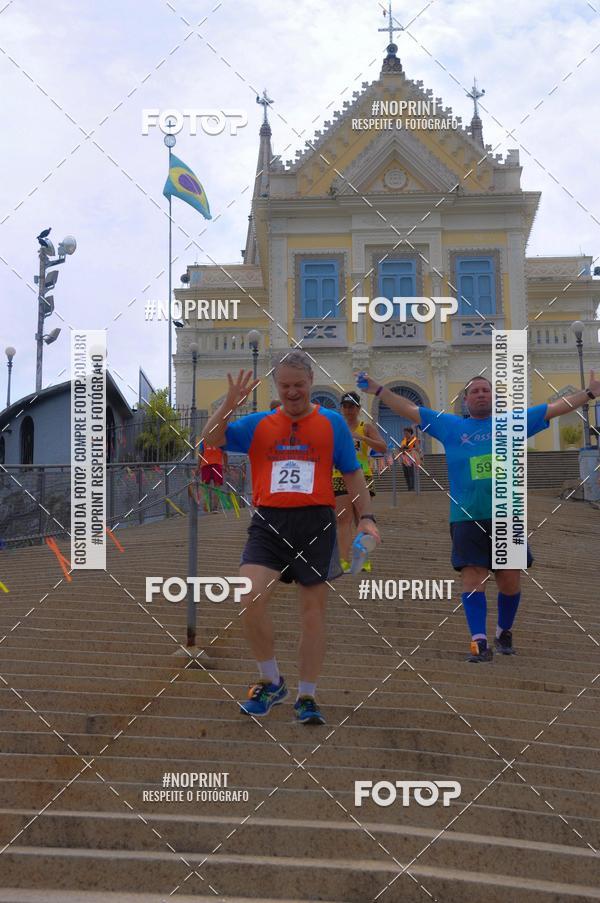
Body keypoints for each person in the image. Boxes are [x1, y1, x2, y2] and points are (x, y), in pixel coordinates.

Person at [361, 370, 600, 662]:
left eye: (486, 390)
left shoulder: (512, 423)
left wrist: (589, 393)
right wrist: (378, 390)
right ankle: (479, 641)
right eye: (475, 391)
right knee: (473, 578)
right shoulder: (449, 426)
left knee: (510, 580)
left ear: (493, 397)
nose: (481, 394)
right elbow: (408, 409)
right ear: (465, 400)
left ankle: (503, 632)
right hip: (466, 516)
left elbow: (556, 407)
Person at [203, 351, 380, 724]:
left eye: (299, 385)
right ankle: (271, 681)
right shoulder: (258, 423)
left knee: (312, 615)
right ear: (276, 386)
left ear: (311, 382)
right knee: (248, 594)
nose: (292, 393)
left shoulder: (332, 424)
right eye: (285, 386)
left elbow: (352, 474)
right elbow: (210, 439)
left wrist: (368, 519)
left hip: (315, 523)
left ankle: (307, 696)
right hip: (268, 522)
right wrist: (229, 406)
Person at [332, 391, 387, 571]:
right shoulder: (336, 428)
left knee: (361, 518)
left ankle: (362, 559)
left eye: (352, 406)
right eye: (345, 406)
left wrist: (362, 438)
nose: (348, 410)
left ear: (358, 408)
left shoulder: (366, 427)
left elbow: (383, 447)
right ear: (341, 408)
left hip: (362, 475)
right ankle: (343, 559)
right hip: (338, 476)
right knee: (343, 519)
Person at [197, 441, 227, 512]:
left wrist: (198, 467)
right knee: (217, 487)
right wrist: (226, 465)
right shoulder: (220, 440)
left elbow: (200, 453)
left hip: (205, 465)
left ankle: (205, 508)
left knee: (205, 487)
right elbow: (225, 453)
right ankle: (215, 508)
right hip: (217, 465)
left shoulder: (203, 441)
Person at [399, 427, 421, 491]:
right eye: (404, 433)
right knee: (406, 473)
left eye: (406, 433)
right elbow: (400, 448)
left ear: (410, 432)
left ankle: (412, 488)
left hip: (412, 457)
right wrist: (401, 449)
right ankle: (409, 487)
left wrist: (408, 449)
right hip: (404, 458)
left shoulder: (415, 439)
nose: (405, 434)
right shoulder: (404, 440)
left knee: (411, 472)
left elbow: (417, 448)